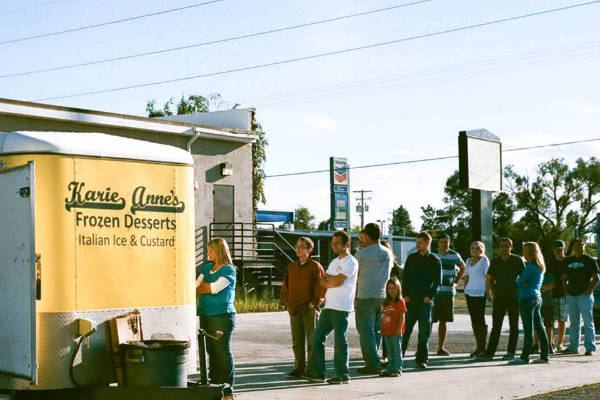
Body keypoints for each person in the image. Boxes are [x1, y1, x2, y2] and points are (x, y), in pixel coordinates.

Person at [304, 230, 358, 385]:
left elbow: (338, 281)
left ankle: (342, 375)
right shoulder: (334, 262)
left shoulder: (351, 262)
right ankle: (318, 373)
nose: (333, 246)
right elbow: (323, 281)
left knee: (340, 341)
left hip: (342, 307)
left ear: (347, 244)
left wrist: (331, 280)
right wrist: (331, 280)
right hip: (329, 306)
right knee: (316, 338)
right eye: (332, 243)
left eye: (337, 243)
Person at [280, 237, 326, 379]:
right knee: (297, 341)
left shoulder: (315, 266)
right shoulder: (291, 267)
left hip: (309, 308)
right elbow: (285, 286)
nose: (298, 249)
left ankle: (312, 370)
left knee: (312, 340)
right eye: (297, 246)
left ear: (309, 249)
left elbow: (321, 286)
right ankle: (298, 368)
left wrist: (314, 302)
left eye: (302, 247)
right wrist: (287, 303)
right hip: (294, 308)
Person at [196, 237, 237, 386]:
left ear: (219, 251)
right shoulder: (207, 267)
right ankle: (215, 383)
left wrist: (205, 287)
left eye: (211, 251)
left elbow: (214, 288)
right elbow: (195, 286)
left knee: (221, 351)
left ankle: (227, 386)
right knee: (211, 351)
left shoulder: (228, 270)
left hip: (222, 317)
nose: (208, 254)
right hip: (205, 315)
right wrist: (206, 287)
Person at [354, 223, 393, 374]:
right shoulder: (387, 253)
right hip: (383, 295)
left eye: (363, 236)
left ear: (368, 236)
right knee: (377, 330)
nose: (362, 239)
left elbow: (354, 275)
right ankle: (374, 358)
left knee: (365, 331)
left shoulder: (361, 254)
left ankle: (372, 363)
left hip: (365, 295)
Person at [478, 237, 524, 361]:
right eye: (502, 246)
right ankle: (490, 352)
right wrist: (493, 292)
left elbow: (524, 277)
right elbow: (490, 278)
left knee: (514, 326)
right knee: (496, 326)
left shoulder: (517, 260)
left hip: (514, 298)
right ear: (499, 248)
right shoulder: (495, 261)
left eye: (507, 246)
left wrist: (520, 291)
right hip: (500, 298)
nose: (504, 248)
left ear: (511, 247)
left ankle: (510, 352)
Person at [401, 231, 441, 369]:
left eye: (420, 242)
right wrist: (405, 294)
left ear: (427, 243)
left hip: (425, 302)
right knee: (405, 331)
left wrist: (430, 296)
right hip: (411, 301)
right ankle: (398, 357)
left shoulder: (435, 260)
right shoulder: (411, 258)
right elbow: (404, 278)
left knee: (424, 333)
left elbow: (437, 282)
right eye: (416, 242)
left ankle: (421, 360)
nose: (417, 245)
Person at [510, 242, 549, 364]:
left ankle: (524, 356)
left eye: (524, 250)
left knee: (528, 328)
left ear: (530, 252)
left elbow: (518, 282)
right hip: (536, 297)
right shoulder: (539, 266)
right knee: (539, 327)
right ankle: (544, 355)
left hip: (527, 298)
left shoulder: (530, 266)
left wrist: (519, 280)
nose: (523, 252)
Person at [562, 237, 600, 356]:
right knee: (574, 322)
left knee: (588, 322)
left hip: (584, 296)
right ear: (573, 247)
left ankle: (590, 348)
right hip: (571, 296)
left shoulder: (589, 260)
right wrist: (566, 290)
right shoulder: (568, 261)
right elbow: (564, 277)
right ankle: (573, 347)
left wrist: (588, 290)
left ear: (584, 246)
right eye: (576, 245)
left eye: (582, 245)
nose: (579, 247)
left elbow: (596, 278)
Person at [432, 234, 465, 356]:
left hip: (447, 293)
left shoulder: (454, 255)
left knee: (443, 321)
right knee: (429, 321)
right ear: (438, 243)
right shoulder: (433, 255)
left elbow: (463, 267)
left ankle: (440, 347)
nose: (444, 244)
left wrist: (456, 282)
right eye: (441, 241)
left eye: (446, 241)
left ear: (449, 242)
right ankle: (423, 347)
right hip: (434, 293)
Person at [464, 241, 490, 357]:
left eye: (478, 248)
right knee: (474, 320)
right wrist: (465, 289)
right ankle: (478, 347)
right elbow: (467, 276)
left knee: (480, 319)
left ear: (482, 249)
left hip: (480, 293)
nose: (475, 250)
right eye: (473, 248)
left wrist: (488, 292)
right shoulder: (468, 261)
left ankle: (482, 347)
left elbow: (488, 276)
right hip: (469, 293)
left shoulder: (484, 260)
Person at [380, 278, 406, 377]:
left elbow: (401, 316)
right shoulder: (386, 302)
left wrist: (399, 329)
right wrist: (382, 329)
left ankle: (397, 369)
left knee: (396, 350)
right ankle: (390, 368)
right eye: (389, 288)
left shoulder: (400, 301)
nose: (391, 290)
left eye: (394, 288)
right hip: (387, 331)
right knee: (389, 351)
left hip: (396, 331)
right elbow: (384, 317)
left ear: (398, 289)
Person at [547, 240, 569, 352]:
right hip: (551, 294)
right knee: (551, 320)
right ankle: (550, 344)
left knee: (562, 320)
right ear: (553, 250)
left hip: (564, 294)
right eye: (556, 249)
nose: (558, 251)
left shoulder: (568, 261)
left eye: (561, 249)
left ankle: (560, 343)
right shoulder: (549, 262)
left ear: (564, 249)